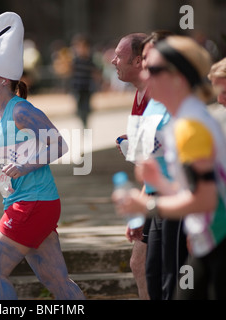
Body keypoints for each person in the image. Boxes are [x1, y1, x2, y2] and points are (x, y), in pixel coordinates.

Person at [0, 12, 85, 300]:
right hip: (19, 202)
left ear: (4, 80)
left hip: (35, 203)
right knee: (57, 282)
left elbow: (59, 145)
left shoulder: (21, 111)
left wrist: (25, 165)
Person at [113, 35, 226, 299]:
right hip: (210, 239)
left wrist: (148, 206)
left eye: (153, 69)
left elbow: (206, 199)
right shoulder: (184, 120)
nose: (145, 74)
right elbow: (196, 189)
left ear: (178, 77)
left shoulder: (190, 127)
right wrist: (160, 184)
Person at [128, 31, 188, 300]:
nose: (144, 64)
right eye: (143, 58)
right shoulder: (153, 102)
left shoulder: (184, 106)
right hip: (155, 200)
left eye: (151, 57)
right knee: (151, 274)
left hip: (177, 203)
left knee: (173, 277)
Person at [111, 32, 150, 300]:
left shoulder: (154, 98)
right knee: (142, 265)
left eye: (119, 56)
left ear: (138, 61)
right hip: (153, 192)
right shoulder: (140, 95)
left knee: (143, 265)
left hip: (166, 195)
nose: (113, 60)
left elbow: (162, 158)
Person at [69, 34, 101, 128]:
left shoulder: (90, 61)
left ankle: (85, 122)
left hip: (87, 87)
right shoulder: (75, 61)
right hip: (77, 87)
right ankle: (82, 118)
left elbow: (95, 73)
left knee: (86, 107)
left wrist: (99, 82)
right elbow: (69, 72)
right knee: (79, 107)